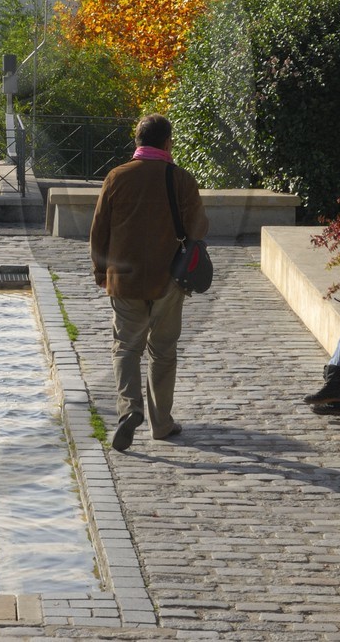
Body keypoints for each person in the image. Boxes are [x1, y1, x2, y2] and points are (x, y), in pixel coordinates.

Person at [89, 113, 209, 451]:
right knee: (163, 351)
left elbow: (99, 229)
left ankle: (130, 409)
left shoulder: (116, 177)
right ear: (168, 142)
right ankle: (161, 423)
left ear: (137, 142)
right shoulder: (181, 179)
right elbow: (198, 229)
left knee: (126, 347)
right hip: (168, 279)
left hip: (124, 280)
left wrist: (101, 271)